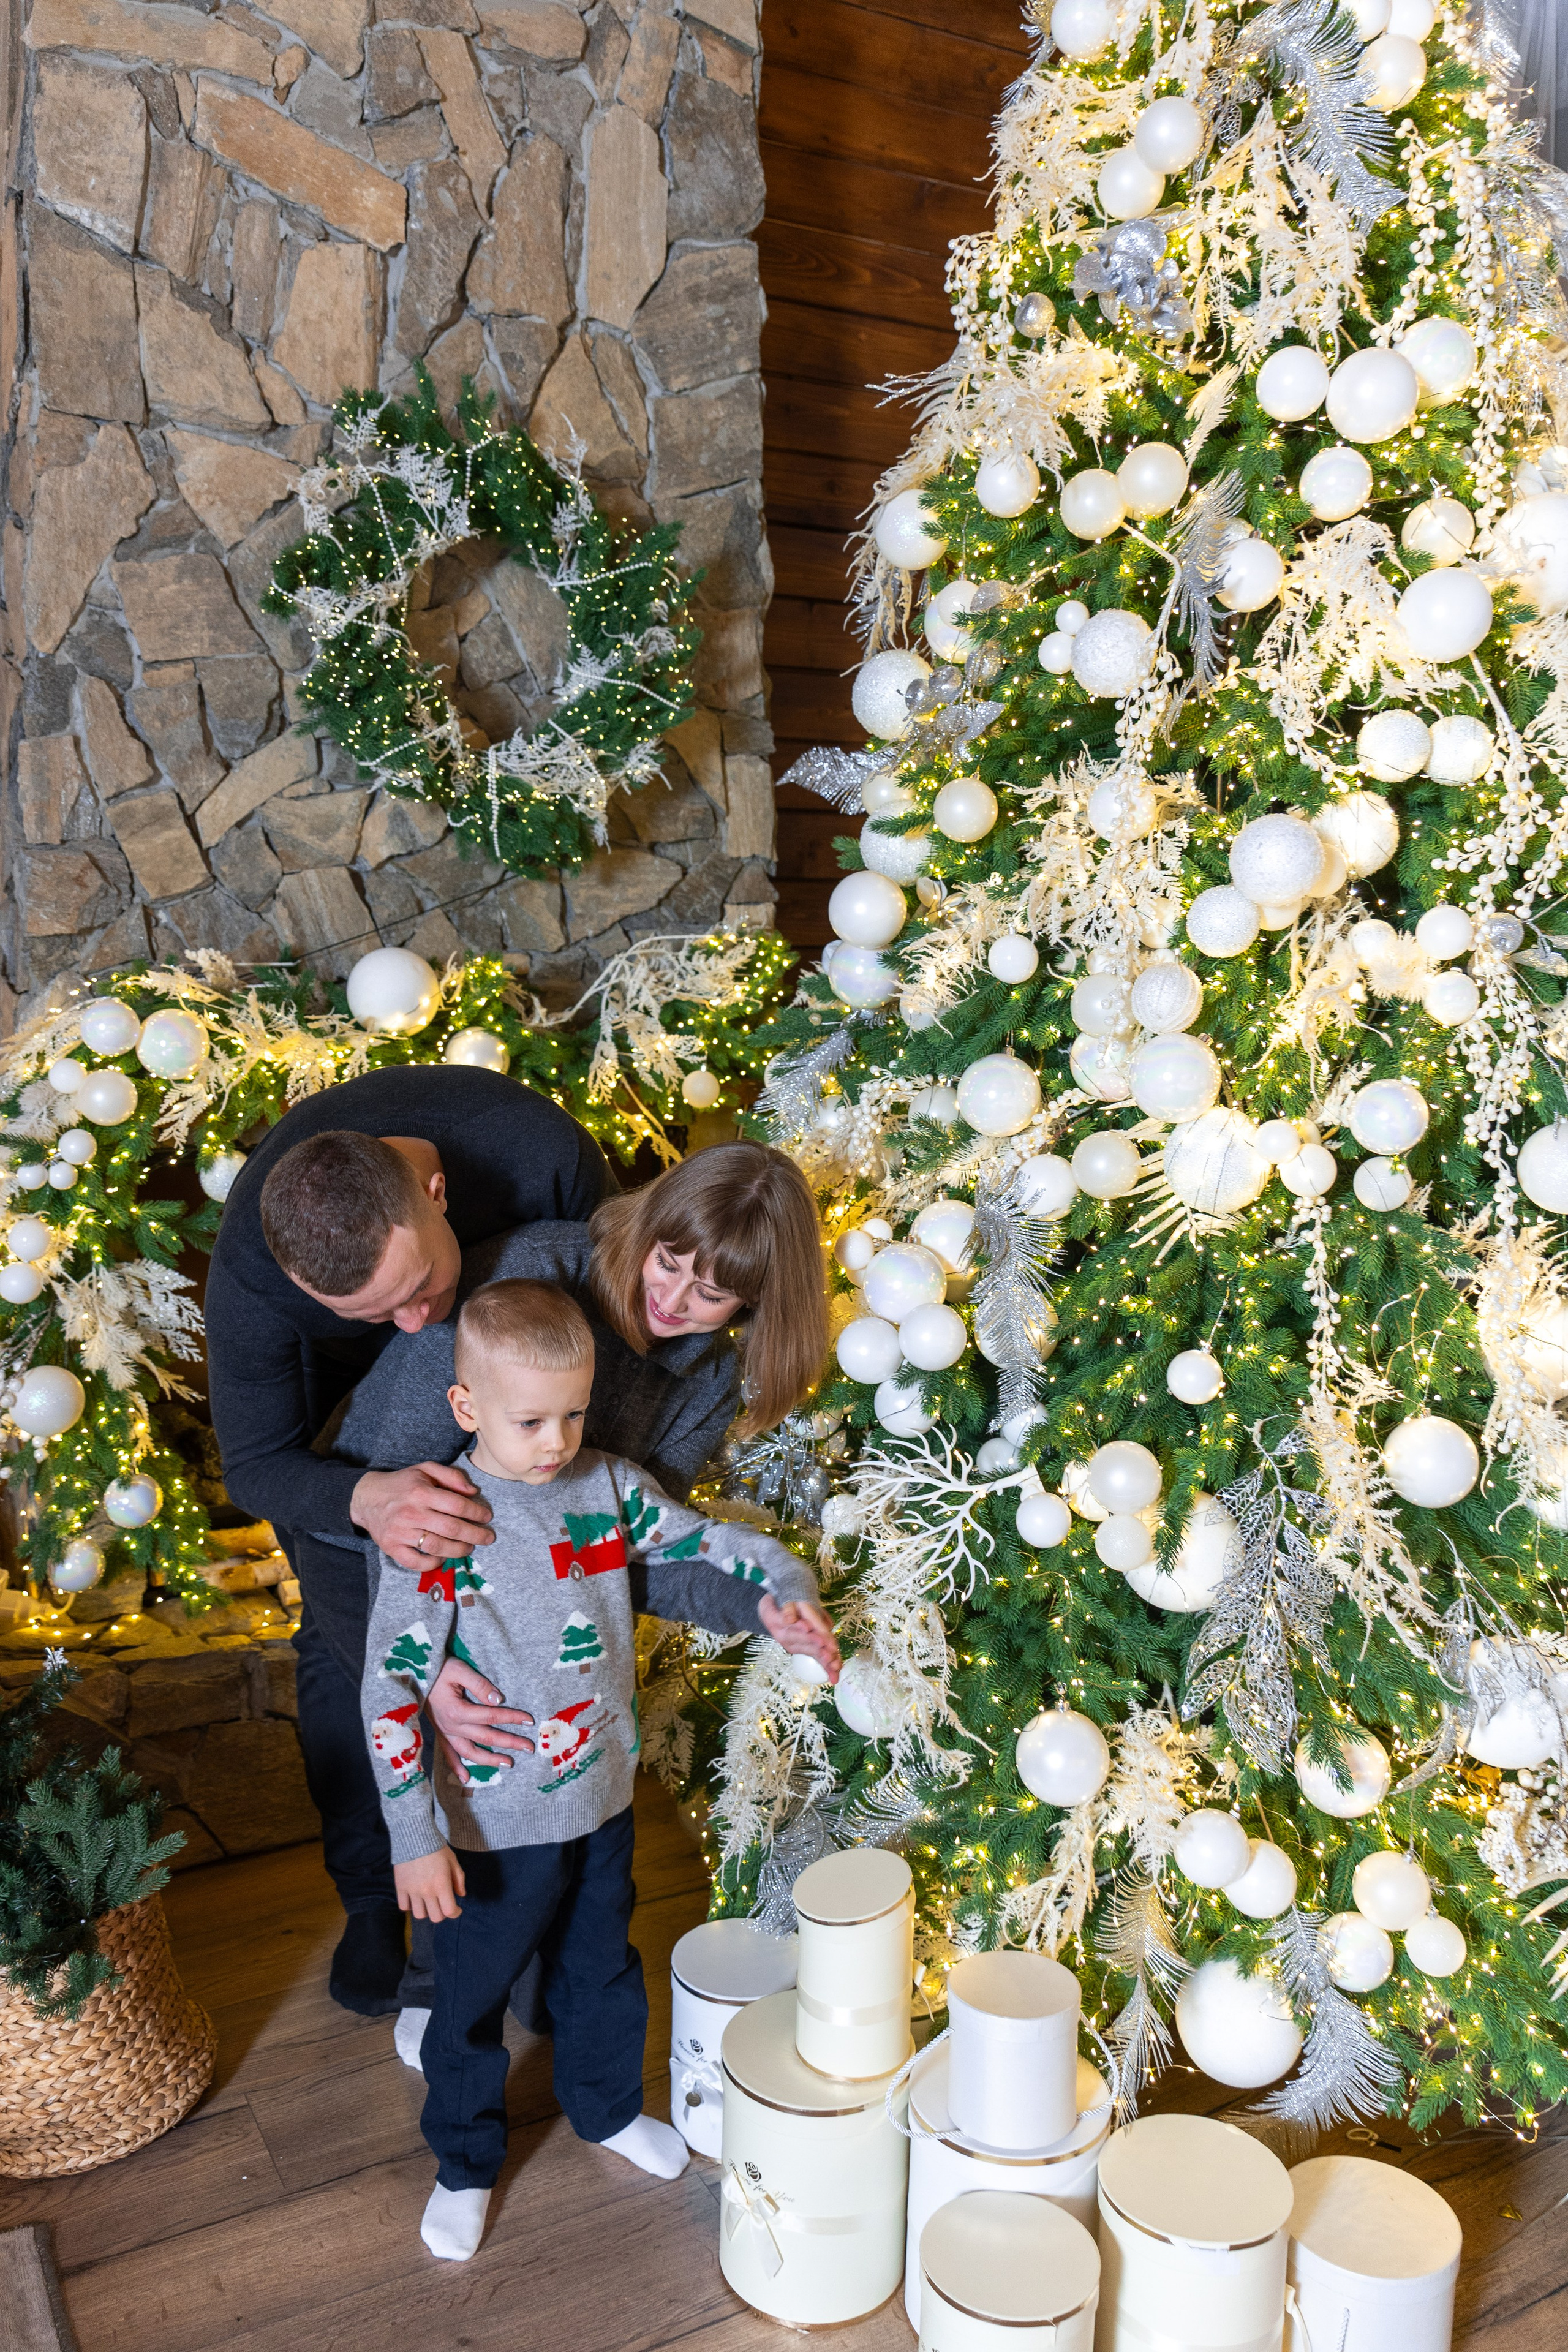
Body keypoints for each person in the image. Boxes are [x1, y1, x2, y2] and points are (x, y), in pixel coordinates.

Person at [361, 1277, 839, 2262]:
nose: (557, 1441)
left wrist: (787, 1588)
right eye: (531, 1420)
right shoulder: (444, 1524)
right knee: (469, 2002)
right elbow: (390, 1691)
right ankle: (464, 2163)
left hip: (605, 1799)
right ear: (467, 1407)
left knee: (603, 1970)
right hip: (493, 1825)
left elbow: (710, 1540)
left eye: (574, 1413)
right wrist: (413, 1840)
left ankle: (607, 2108)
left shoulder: (607, 1489)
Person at [317, 1140, 832, 2043]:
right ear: (652, 1225)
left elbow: (629, 1550)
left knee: (533, 1879)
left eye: (712, 1293)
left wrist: (760, 1606)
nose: (672, 1299)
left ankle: (524, 1960)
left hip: (519, 1591)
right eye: (668, 1262)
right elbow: (398, 1496)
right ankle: (399, 1937)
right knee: (406, 1745)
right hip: (366, 1523)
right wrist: (431, 1671)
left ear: (753, 1304)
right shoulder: (533, 1271)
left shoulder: (707, 1378)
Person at [205, 1065, 617, 2013]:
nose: (412, 1322)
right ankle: (373, 1897)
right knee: (343, 1650)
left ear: (438, 1195)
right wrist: (367, 1498)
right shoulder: (255, 1272)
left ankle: (531, 1917)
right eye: (373, 1315)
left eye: (421, 1286)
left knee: (518, 1648)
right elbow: (257, 1464)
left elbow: (614, 1308)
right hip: (341, 1454)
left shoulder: (539, 1154)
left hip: (512, 1398)